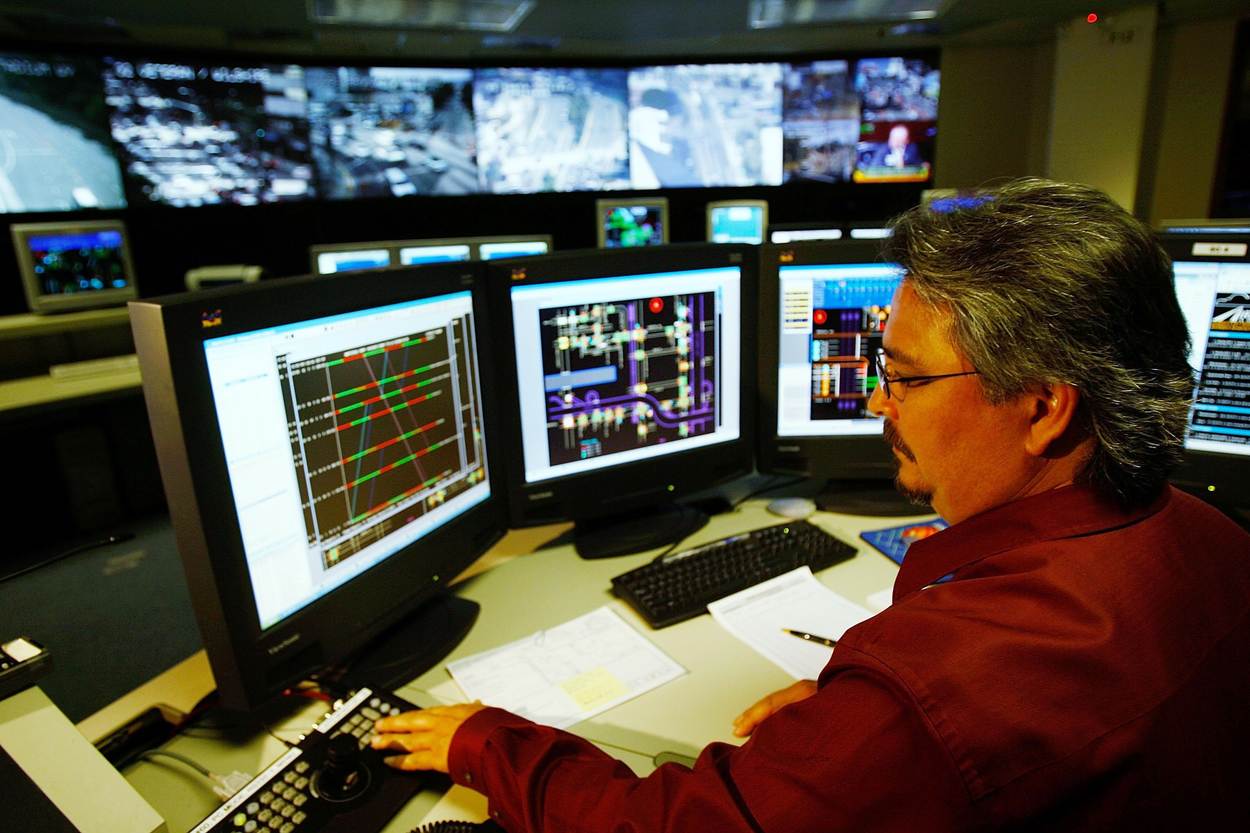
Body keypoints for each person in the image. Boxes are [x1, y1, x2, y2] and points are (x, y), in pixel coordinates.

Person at [371, 179, 1250, 831]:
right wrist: (854, 741)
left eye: (904, 376)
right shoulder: (1215, 540)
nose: (877, 402)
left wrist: (489, 742)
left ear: (1043, 406)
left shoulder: (947, 683)